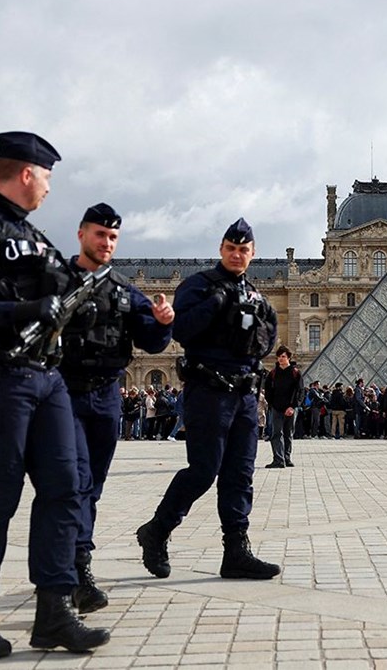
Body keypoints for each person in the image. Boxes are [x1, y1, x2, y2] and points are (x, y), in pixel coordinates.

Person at [0, 132, 110, 657]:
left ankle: (54, 611)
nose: (48, 187)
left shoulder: (35, 236)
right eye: (46, 176)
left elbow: (65, 293)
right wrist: (21, 312)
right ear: (25, 173)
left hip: (47, 377)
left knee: (66, 488)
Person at [136, 217, 280, 581]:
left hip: (245, 395)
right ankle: (157, 530)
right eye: (231, 248)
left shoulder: (257, 298)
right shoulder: (198, 286)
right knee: (203, 470)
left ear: (252, 253)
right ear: (221, 249)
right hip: (209, 391)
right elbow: (181, 330)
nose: (237, 254)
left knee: (240, 474)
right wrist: (216, 303)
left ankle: (236, 551)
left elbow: (266, 342)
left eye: (243, 249)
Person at [59, 203, 175, 614]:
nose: (106, 242)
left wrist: (163, 322)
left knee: (92, 485)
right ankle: (75, 569)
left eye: (112, 237)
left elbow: (153, 342)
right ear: (81, 234)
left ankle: (73, 564)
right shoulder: (56, 280)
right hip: (64, 394)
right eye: (99, 234)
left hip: (107, 395)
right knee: (73, 482)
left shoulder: (124, 290)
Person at [263, 345, 302, 467]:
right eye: (279, 356)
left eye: (283, 356)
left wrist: (293, 406)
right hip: (276, 408)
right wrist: (271, 404)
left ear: (288, 357)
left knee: (288, 433)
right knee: (276, 433)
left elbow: (299, 391)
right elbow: (268, 390)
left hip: (290, 408)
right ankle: (278, 459)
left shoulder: (295, 373)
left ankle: (286, 458)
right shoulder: (273, 373)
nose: (280, 359)